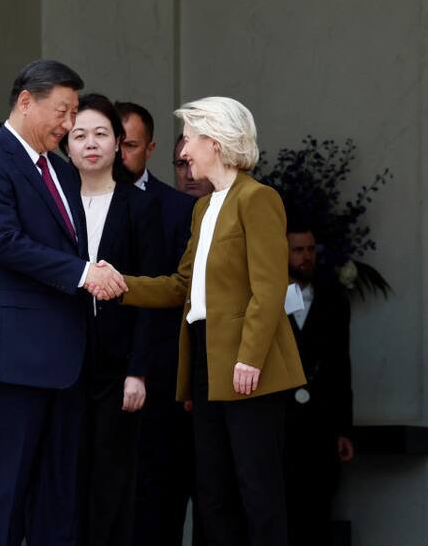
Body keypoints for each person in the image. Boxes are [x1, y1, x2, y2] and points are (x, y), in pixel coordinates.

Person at [99, 96, 305, 546]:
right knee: (213, 490)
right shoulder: (203, 207)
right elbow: (180, 286)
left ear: (216, 141)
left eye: (191, 139)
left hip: (250, 365)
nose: (185, 151)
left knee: (257, 489)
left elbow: (268, 289)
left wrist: (249, 358)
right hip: (207, 361)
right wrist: (119, 284)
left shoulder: (258, 198)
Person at [0, 59, 127, 546]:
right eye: (63, 110)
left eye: (74, 111)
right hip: (11, 359)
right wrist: (83, 274)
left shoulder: (58, 167)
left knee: (58, 496)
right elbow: (4, 241)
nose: (69, 124)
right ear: (26, 101)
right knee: (2, 492)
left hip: (64, 359)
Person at [62, 94, 163, 546]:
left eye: (101, 134)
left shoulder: (140, 207)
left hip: (117, 364)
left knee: (112, 479)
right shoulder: (54, 203)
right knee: (62, 477)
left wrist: (138, 370)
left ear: (119, 143)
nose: (90, 144)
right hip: (59, 362)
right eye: (79, 135)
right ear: (66, 144)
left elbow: (150, 292)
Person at [115, 100, 205, 545]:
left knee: (160, 495)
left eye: (128, 145)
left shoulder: (180, 208)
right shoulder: (73, 201)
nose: (117, 154)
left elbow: (184, 296)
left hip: (163, 376)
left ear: (149, 148)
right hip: (93, 373)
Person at [280, 223, 354, 545]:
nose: (306, 257)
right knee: (281, 510)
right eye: (298, 250)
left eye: (310, 250)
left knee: (319, 510)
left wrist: (343, 428)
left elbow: (342, 365)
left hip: (321, 422)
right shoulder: (266, 298)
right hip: (280, 423)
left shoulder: (333, 298)